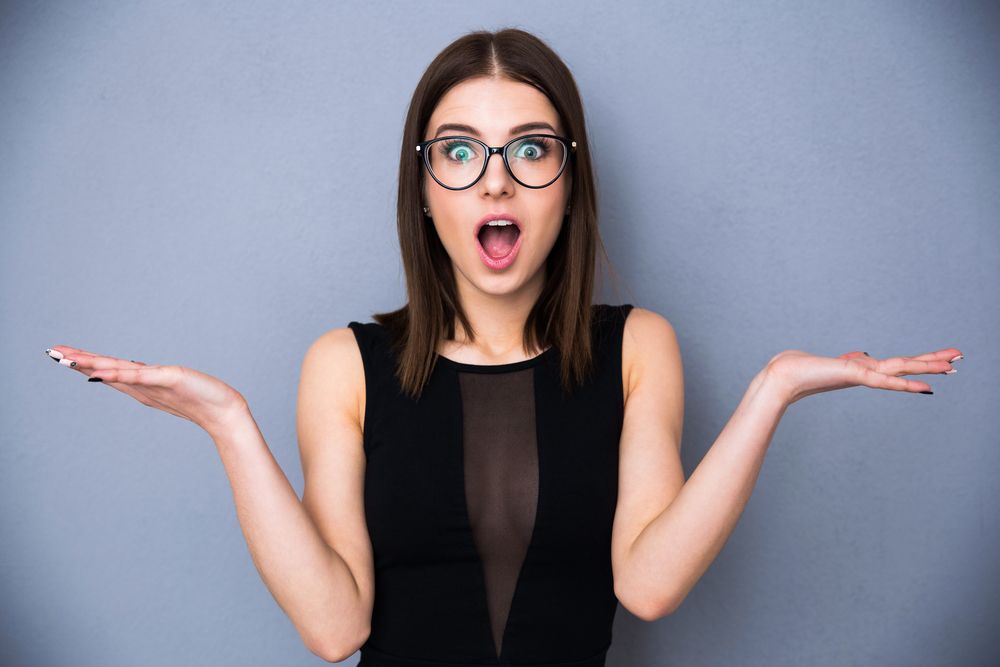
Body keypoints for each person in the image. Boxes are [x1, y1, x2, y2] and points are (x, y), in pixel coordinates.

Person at [45, 27, 961, 667]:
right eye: (459, 152)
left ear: (569, 181)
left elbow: (646, 586)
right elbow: (333, 630)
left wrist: (773, 389)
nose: (496, 180)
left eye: (530, 149)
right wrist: (228, 424)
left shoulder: (639, 347)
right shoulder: (344, 364)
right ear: (426, 186)